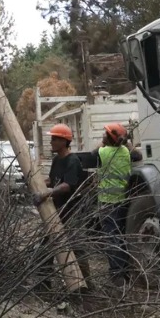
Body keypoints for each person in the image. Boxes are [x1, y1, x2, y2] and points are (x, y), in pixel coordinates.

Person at [33, 123, 94, 277]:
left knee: (76, 246)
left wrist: (47, 193)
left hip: (72, 211)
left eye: (54, 139)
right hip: (57, 210)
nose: (51, 142)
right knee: (45, 245)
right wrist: (37, 183)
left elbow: (67, 185)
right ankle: (44, 281)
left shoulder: (72, 161)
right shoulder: (56, 160)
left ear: (63, 141)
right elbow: (53, 180)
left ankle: (85, 283)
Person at [93, 122, 134, 285]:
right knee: (122, 237)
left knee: (112, 238)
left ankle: (116, 274)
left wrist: (103, 143)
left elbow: (92, 154)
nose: (103, 135)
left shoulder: (103, 153)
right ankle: (125, 272)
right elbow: (136, 154)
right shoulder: (125, 152)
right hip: (123, 201)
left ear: (109, 138)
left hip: (107, 202)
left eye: (105, 134)